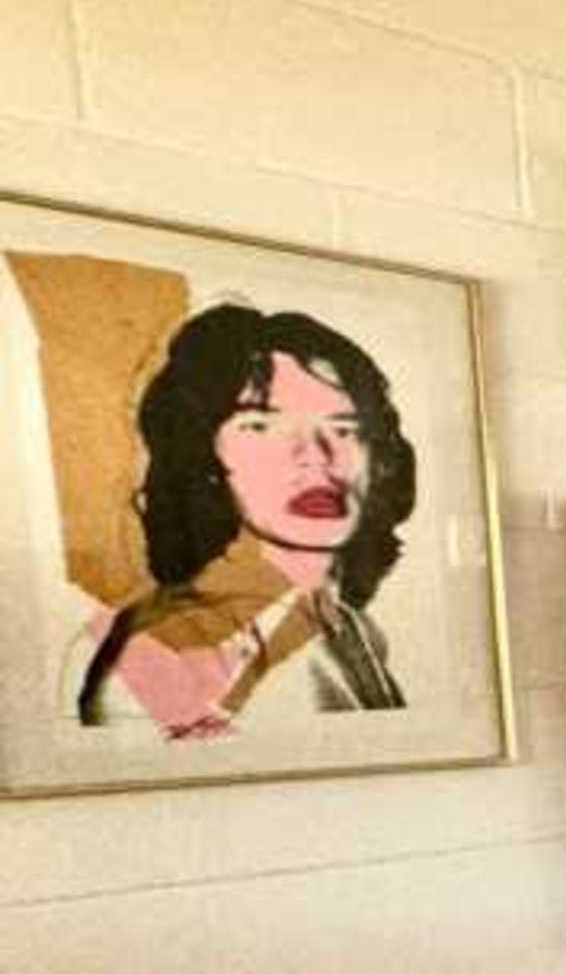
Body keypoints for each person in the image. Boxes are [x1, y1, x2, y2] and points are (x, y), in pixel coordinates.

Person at [74, 303, 415, 732]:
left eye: (344, 429)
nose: (316, 457)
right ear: (204, 454)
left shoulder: (351, 628)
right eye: (262, 427)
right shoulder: (167, 651)